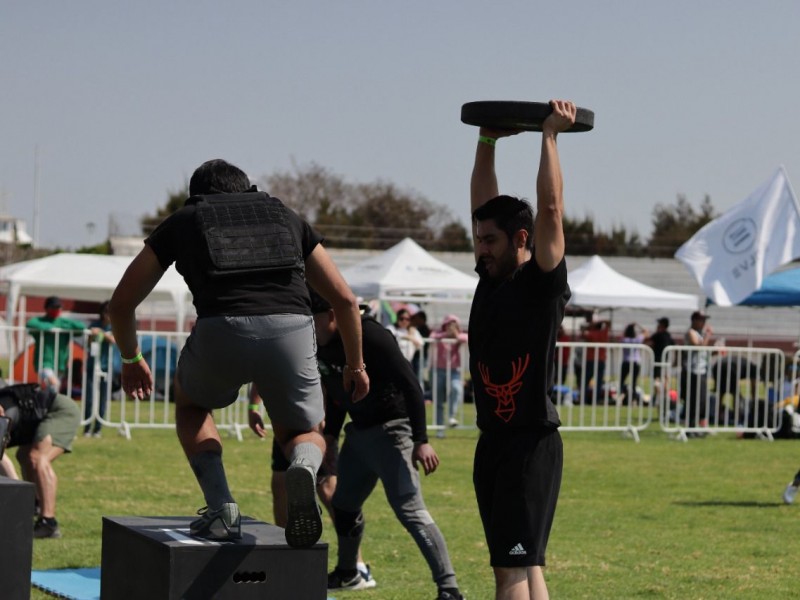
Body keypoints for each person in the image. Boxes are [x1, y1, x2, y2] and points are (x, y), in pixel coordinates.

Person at [108, 158, 368, 547]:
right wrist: (355, 365)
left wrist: (131, 359)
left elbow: (122, 302)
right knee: (302, 431)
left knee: (192, 407)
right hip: (292, 331)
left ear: (196, 196)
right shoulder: (284, 215)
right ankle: (302, 466)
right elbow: (345, 301)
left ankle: (221, 507)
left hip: (221, 329)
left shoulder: (187, 218)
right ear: (247, 189)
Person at [468, 99, 576, 599]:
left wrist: (548, 136)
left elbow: (551, 209)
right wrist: (486, 142)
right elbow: (483, 204)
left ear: (521, 240)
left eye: (490, 241)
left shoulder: (541, 284)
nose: (481, 249)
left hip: (528, 444)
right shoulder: (491, 281)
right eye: (478, 240)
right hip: (494, 440)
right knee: (525, 567)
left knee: (510, 572)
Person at [311, 291, 463, 599]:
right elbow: (340, 392)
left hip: (393, 431)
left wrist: (421, 440)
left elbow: (410, 383)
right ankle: (348, 572)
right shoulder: (322, 344)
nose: (305, 325)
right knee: (343, 505)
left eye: (309, 317)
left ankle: (449, 589)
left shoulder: (369, 334)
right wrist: (330, 436)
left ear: (330, 314)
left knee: (411, 512)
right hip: (360, 434)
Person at [248, 385, 376, 588]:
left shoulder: (319, 355)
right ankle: (287, 560)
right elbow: (260, 373)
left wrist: (326, 425)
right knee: (281, 486)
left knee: (329, 492)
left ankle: (356, 565)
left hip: (317, 429)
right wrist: (254, 407)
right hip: (285, 424)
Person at [0, 381, 80, 538]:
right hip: (39, 418)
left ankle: (48, 522)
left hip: (59, 411)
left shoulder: (2, 413)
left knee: (37, 458)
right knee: (23, 455)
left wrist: (16, 495)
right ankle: (34, 505)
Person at [26, 296, 88, 393]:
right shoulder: (40, 320)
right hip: (44, 362)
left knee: (52, 391)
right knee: (54, 384)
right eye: (53, 307)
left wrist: (61, 327)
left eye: (58, 307)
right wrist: (49, 327)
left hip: (60, 363)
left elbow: (81, 327)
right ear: (46, 308)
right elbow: (30, 324)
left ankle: (46, 407)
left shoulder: (64, 321)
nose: (56, 309)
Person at [430, 314, 468, 434]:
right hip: (438, 370)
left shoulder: (459, 336)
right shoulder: (438, 334)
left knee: (456, 389)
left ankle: (451, 416)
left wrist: (456, 336)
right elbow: (432, 337)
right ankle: (439, 430)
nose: (451, 327)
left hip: (454, 371)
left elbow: (466, 338)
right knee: (438, 401)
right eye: (449, 325)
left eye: (454, 325)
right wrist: (445, 335)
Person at [84, 300, 117, 437]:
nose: (107, 315)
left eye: (110, 312)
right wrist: (93, 335)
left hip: (107, 366)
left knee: (103, 398)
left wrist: (102, 333)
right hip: (92, 365)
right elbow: (89, 343)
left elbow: (114, 341)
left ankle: (98, 429)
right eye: (105, 312)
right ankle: (87, 428)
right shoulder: (93, 325)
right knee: (90, 398)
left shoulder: (116, 326)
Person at [681, 311, 713, 432]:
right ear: (694, 320)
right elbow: (698, 346)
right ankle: (690, 427)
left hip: (701, 370)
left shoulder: (700, 334)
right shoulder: (691, 332)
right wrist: (708, 335)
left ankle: (697, 425)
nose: (704, 323)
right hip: (692, 371)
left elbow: (703, 351)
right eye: (701, 320)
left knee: (702, 400)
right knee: (693, 400)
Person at [581, 314, 610, 404]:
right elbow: (609, 323)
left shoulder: (590, 333)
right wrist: (600, 321)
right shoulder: (604, 333)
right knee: (599, 382)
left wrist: (591, 325)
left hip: (590, 360)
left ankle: (583, 400)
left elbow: (582, 331)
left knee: (585, 381)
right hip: (601, 360)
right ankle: (596, 400)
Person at [619, 323, 648, 405]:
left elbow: (622, 335)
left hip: (626, 362)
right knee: (634, 382)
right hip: (635, 362)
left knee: (622, 381)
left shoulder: (624, 340)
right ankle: (634, 400)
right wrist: (638, 325)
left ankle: (621, 397)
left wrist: (628, 326)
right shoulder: (637, 339)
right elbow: (645, 332)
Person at [649, 317, 675, 402]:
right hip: (665, 361)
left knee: (657, 379)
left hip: (658, 361)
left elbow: (648, 342)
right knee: (665, 378)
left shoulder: (657, 335)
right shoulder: (668, 335)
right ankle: (664, 396)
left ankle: (659, 397)